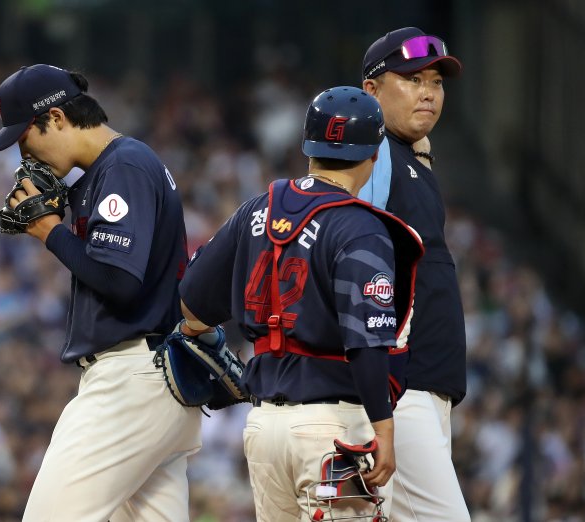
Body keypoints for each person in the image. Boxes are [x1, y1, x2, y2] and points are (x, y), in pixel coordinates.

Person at [177, 86, 423, 521]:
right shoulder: (360, 228)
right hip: (332, 430)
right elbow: (366, 343)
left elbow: (192, 304)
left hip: (264, 428)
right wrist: (383, 427)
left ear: (307, 146)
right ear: (373, 154)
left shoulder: (257, 208)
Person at [0, 64, 201, 521]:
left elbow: (120, 283)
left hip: (133, 379)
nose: (24, 156)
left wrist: (50, 232)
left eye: (26, 138)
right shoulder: (116, 168)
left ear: (57, 118)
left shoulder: (122, 165)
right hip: (156, 379)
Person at [359, 27, 471, 520]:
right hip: (400, 388)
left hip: (425, 387)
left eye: (436, 81)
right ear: (372, 90)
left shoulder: (410, 157)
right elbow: (355, 261)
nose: (428, 91)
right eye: (411, 78)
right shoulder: (375, 152)